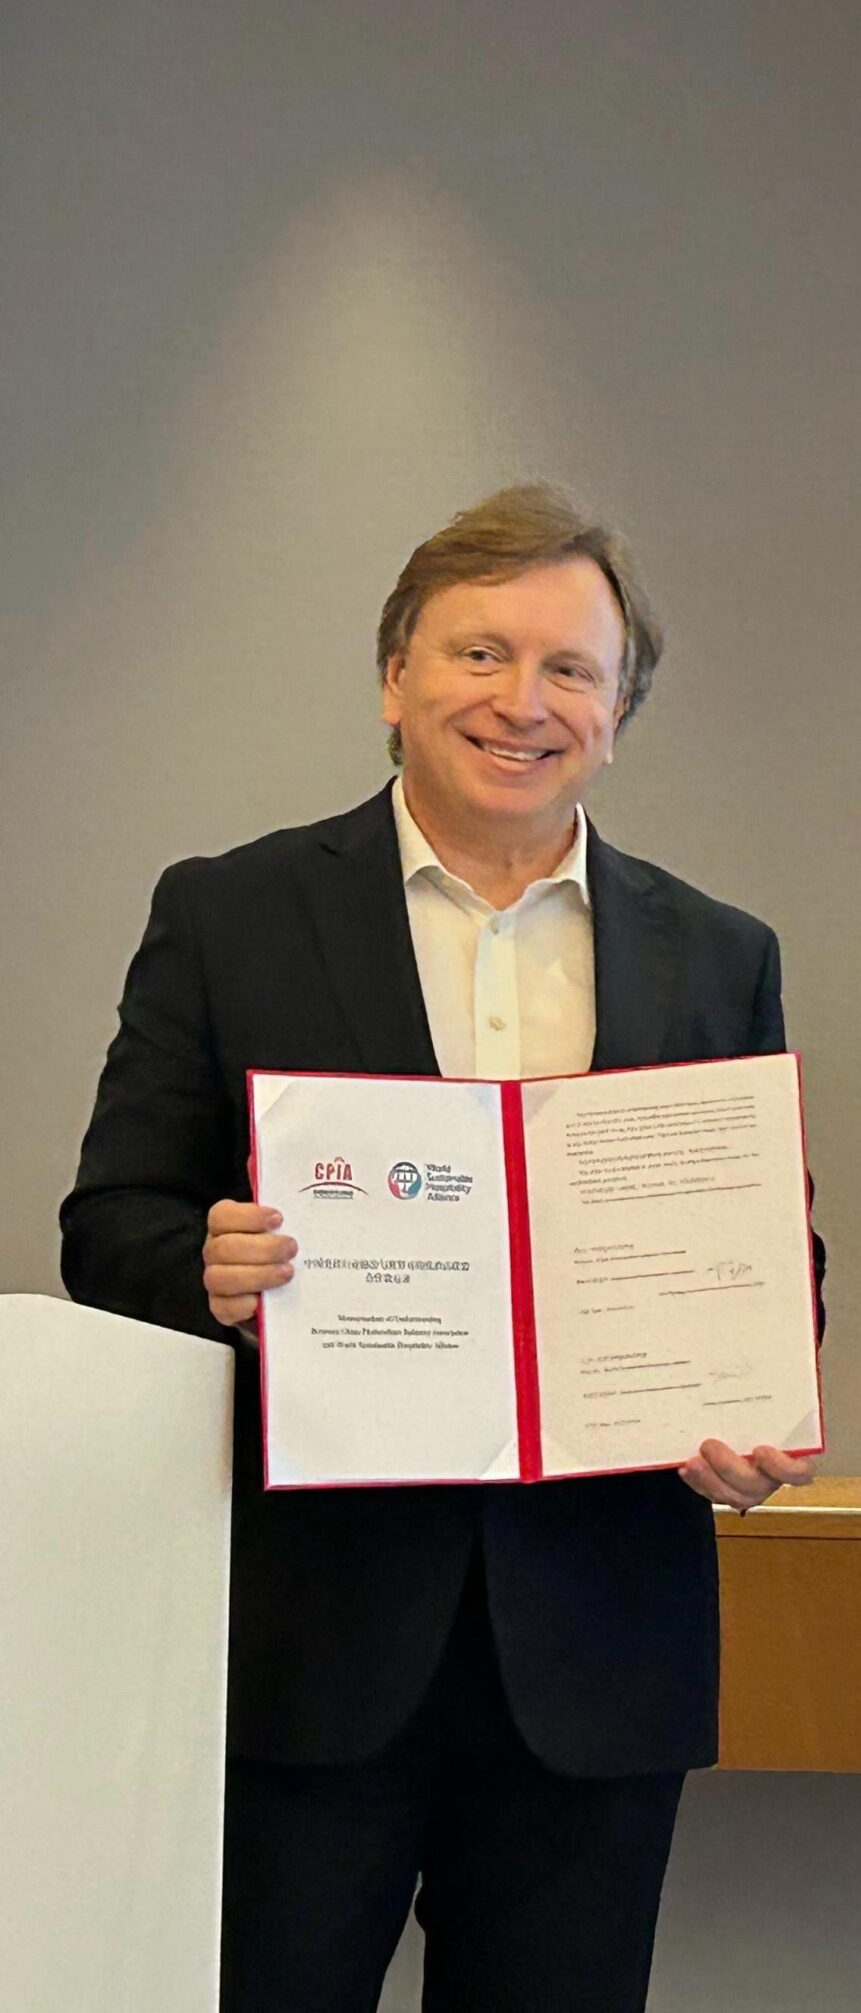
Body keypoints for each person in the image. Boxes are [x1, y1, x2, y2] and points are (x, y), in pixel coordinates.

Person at [61, 485, 821, 2013]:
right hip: (308, 1648)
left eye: (571, 669)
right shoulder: (232, 912)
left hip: (600, 1650)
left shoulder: (717, 952)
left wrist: (753, 1406)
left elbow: (760, 1256)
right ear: (394, 676)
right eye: (482, 654)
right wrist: (204, 1264)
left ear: (618, 712)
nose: (522, 701)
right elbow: (110, 1223)